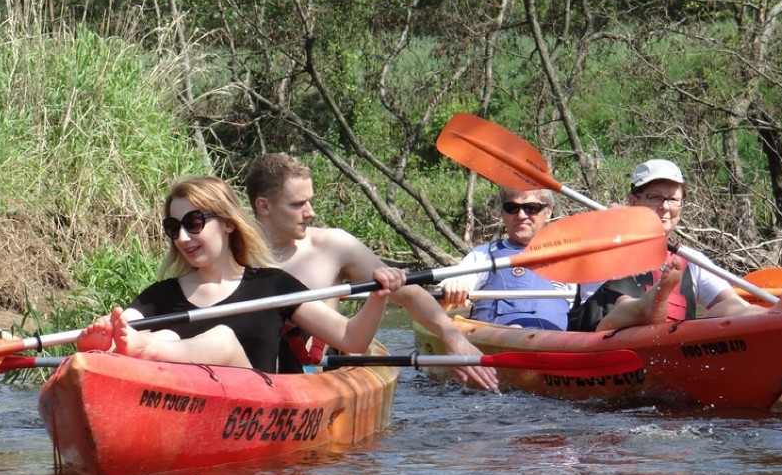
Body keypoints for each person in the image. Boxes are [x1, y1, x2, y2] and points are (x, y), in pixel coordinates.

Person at [76, 175, 406, 373]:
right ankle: (138, 348)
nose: (182, 238)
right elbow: (124, 323)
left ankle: (147, 349)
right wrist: (107, 330)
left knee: (220, 339)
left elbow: (352, 339)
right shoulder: (159, 295)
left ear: (228, 223)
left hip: (252, 406)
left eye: (193, 224)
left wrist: (378, 297)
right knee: (164, 336)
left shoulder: (274, 286)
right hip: (175, 401)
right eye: (174, 228)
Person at [245, 153, 500, 391]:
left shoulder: (334, 246)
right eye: (297, 204)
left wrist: (451, 335)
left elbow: (408, 295)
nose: (310, 212)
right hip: (251, 372)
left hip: (316, 374)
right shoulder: (230, 253)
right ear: (264, 206)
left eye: (310, 201)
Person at [572, 159, 782, 332]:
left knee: (727, 306)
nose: (665, 207)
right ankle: (645, 306)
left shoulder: (689, 258)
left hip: (667, 346)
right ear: (633, 201)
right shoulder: (606, 241)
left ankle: (773, 314)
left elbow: (731, 302)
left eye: (673, 199)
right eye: (655, 197)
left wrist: (762, 316)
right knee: (623, 302)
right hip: (603, 333)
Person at [439, 186, 574, 329]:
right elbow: (435, 305)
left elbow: (594, 312)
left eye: (531, 208)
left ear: (548, 212)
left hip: (553, 346)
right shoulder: (483, 255)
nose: (521, 215)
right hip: (494, 343)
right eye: (512, 207)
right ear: (503, 212)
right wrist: (452, 290)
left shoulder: (572, 256)